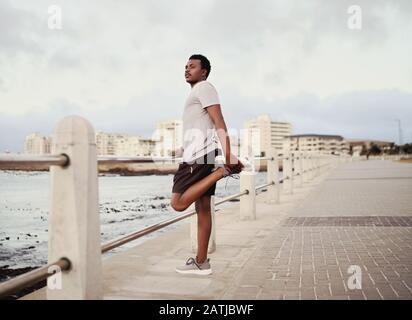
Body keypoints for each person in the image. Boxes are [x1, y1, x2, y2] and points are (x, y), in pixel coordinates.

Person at [172, 54, 243, 275]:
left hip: (198, 158)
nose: (187, 69)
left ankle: (221, 172)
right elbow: (204, 126)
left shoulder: (204, 87)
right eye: (185, 66)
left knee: (178, 203)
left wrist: (228, 156)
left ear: (203, 71)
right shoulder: (196, 92)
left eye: (192, 66)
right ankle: (201, 262)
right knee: (203, 209)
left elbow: (219, 121)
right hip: (199, 154)